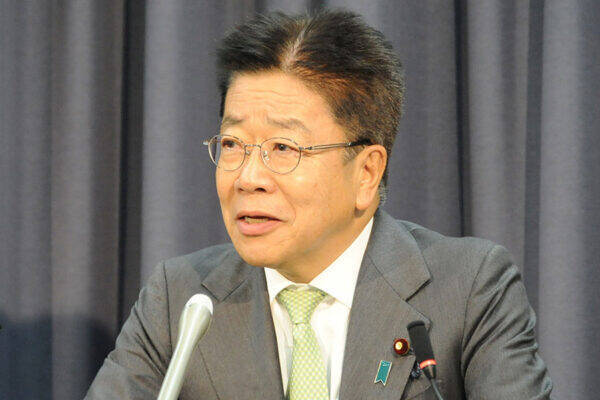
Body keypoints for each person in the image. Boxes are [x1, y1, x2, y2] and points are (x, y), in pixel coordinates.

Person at [86, 9, 552, 400]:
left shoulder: (469, 289)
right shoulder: (181, 300)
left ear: (366, 172)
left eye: (283, 148)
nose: (248, 178)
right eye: (232, 144)